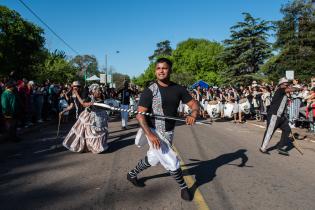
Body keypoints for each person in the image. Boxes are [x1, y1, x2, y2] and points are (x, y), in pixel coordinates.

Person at [126, 58, 199, 201]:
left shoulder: (179, 89)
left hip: (169, 131)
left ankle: (131, 174)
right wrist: (150, 135)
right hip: (153, 130)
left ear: (170, 70)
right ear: (155, 70)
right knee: (171, 159)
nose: (161, 71)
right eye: (158, 68)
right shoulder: (150, 91)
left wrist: (193, 113)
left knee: (153, 158)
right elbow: (140, 116)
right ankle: (184, 188)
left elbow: (194, 104)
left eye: (164, 68)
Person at [62, 83, 109, 153]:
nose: (99, 92)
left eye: (99, 90)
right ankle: (91, 146)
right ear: (93, 91)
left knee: (99, 132)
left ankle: (98, 146)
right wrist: (63, 111)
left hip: (99, 117)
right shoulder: (89, 97)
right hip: (89, 117)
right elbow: (83, 104)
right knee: (88, 133)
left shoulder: (100, 97)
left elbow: (103, 106)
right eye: (98, 91)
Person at [260, 78, 298, 156]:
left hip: (281, 116)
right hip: (274, 115)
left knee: (287, 130)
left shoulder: (284, 92)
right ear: (281, 84)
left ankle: (280, 147)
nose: (287, 85)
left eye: (288, 84)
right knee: (270, 131)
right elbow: (291, 89)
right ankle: (263, 148)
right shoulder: (280, 90)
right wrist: (299, 88)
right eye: (286, 84)